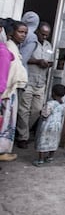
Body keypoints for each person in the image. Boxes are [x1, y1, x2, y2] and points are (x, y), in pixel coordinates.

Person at [16, 22, 54, 149]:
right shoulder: (30, 42)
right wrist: (37, 61)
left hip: (41, 82)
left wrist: (49, 63)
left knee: (37, 110)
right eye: (42, 34)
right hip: (29, 80)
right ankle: (23, 137)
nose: (44, 37)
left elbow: (51, 60)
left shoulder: (49, 45)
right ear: (37, 31)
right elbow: (23, 58)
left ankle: (22, 130)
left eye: (46, 35)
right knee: (24, 110)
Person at [0, 20, 28, 162]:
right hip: (6, 92)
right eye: (20, 32)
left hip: (10, 91)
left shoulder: (14, 48)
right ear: (11, 33)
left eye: (25, 33)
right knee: (4, 122)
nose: (23, 35)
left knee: (8, 122)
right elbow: (8, 72)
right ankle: (1, 151)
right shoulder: (8, 48)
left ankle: (3, 150)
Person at [32, 84, 65, 166]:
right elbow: (62, 115)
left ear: (53, 93)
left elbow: (45, 114)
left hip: (47, 126)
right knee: (53, 141)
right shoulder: (63, 105)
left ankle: (40, 160)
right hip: (57, 126)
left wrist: (41, 112)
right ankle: (50, 157)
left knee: (43, 141)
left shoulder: (50, 103)